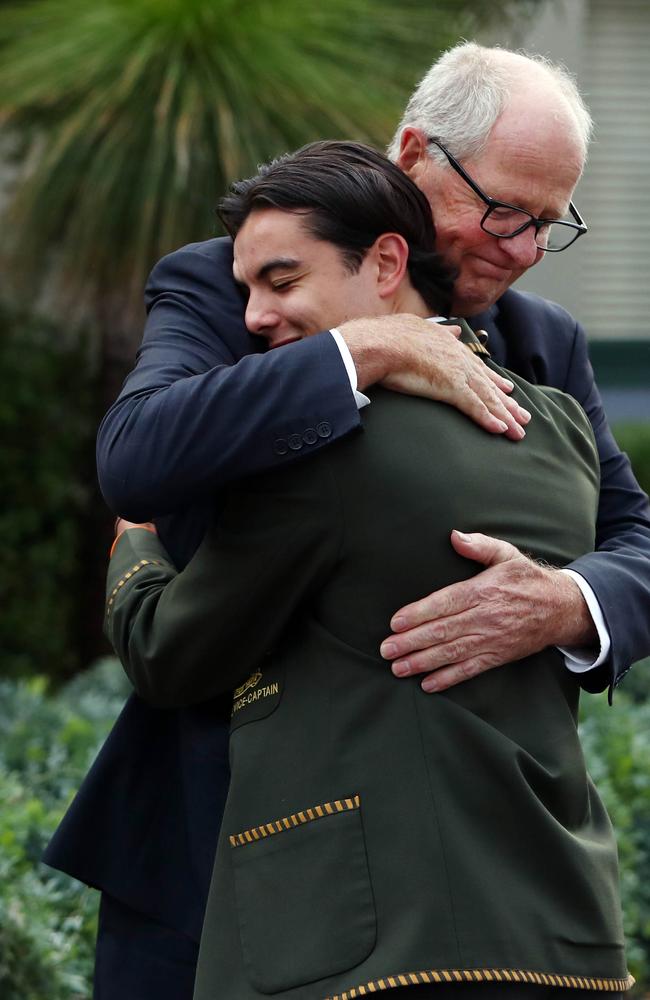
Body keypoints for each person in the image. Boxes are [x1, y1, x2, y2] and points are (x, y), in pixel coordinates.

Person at [43, 42, 650, 999]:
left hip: (475, 869)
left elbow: (636, 540)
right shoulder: (236, 288)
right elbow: (135, 458)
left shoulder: (546, 344)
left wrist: (570, 603)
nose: (523, 248)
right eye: (500, 209)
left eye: (547, 224)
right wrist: (361, 347)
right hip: (203, 839)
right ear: (414, 152)